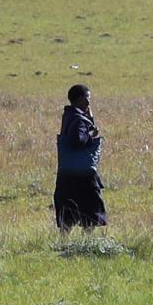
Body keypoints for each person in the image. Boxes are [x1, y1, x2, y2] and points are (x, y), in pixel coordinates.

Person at [54, 83, 106, 232]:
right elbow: (78, 140)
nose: (89, 102)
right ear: (79, 99)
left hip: (66, 173)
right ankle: (87, 243)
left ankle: (63, 242)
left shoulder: (69, 115)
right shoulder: (79, 119)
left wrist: (90, 118)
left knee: (67, 212)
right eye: (87, 98)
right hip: (82, 176)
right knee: (90, 211)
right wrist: (92, 135)